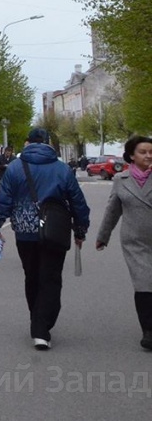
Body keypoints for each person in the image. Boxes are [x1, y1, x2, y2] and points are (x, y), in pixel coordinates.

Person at [0, 127, 90, 350]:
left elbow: (3, 200)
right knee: (51, 278)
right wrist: (80, 229)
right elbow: (77, 202)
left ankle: (37, 321)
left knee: (32, 276)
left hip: (25, 233)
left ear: (29, 142)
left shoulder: (15, 168)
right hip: (55, 230)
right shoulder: (62, 169)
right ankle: (42, 327)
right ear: (48, 143)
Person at [94, 135, 152, 351]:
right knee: (144, 283)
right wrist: (103, 236)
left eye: (151, 152)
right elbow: (112, 210)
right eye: (143, 152)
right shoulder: (121, 180)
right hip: (135, 242)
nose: (148, 156)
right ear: (131, 156)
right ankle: (149, 331)